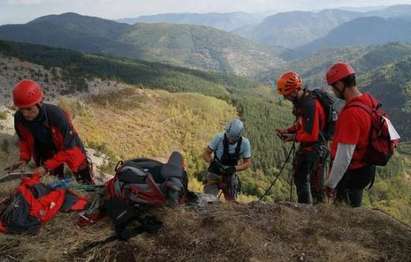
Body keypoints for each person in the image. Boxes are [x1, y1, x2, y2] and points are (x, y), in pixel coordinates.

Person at [6, 79, 94, 184]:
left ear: (39, 103)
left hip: (69, 147)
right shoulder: (19, 118)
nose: (25, 114)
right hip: (46, 150)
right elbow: (24, 140)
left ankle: (89, 190)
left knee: (83, 177)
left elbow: (69, 148)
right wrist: (24, 159)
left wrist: (46, 167)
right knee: (53, 182)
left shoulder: (57, 116)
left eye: (29, 109)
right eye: (21, 109)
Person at [324, 62, 378, 207]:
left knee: (345, 217)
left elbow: (344, 157)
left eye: (333, 87)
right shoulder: (369, 100)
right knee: (355, 209)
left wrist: (331, 184)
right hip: (366, 168)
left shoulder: (351, 114)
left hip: (351, 174)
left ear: (340, 84)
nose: (333, 91)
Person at [276, 71, 331, 204]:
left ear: (294, 91)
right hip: (311, 146)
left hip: (316, 147)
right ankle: (305, 208)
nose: (285, 98)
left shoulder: (309, 104)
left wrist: (293, 137)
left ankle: (316, 212)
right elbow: (302, 123)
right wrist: (288, 130)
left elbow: (311, 135)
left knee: (315, 185)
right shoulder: (303, 101)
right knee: (301, 176)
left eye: (286, 95)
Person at [203, 119, 252, 201]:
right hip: (215, 172)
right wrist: (211, 161)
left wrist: (234, 168)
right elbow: (206, 153)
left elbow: (247, 163)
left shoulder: (245, 143)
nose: (230, 140)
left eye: (233, 139)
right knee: (209, 201)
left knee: (231, 203)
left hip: (229, 175)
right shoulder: (219, 138)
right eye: (229, 137)